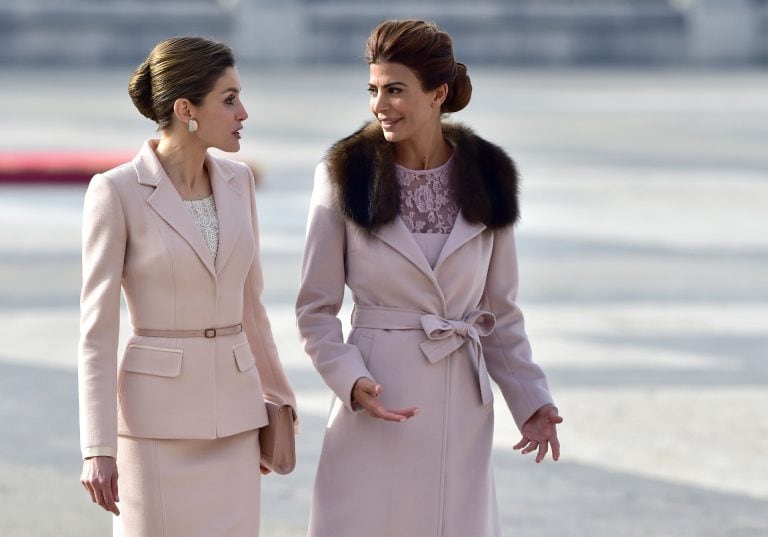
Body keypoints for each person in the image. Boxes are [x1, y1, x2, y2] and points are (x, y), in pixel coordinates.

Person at [295, 19, 562, 537]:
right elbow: (315, 308)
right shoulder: (343, 174)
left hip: (460, 403)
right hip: (378, 395)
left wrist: (532, 401)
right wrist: (351, 381)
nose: (379, 105)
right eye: (373, 90)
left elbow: (500, 312)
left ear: (438, 93)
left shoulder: (489, 175)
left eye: (395, 90)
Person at [78, 36, 296, 537]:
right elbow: (96, 332)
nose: (244, 112)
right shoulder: (116, 191)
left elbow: (251, 307)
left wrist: (280, 403)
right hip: (156, 429)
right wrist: (98, 447)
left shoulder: (239, 183)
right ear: (185, 110)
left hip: (238, 424)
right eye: (229, 99)